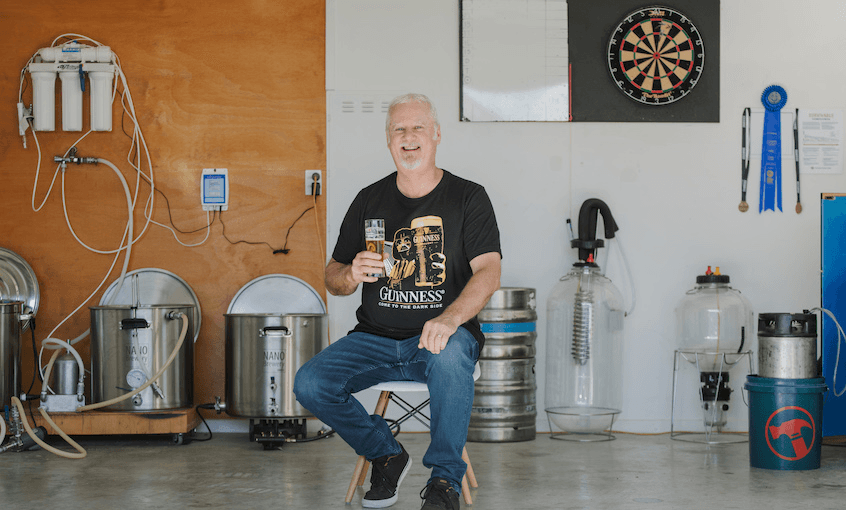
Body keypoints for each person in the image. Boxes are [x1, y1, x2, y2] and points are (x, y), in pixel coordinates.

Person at [294, 93, 501, 510]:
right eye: (398, 130)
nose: (408, 137)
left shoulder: (468, 197)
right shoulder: (368, 199)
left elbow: (489, 272)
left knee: (450, 354)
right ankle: (386, 453)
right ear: (388, 140)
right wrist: (350, 273)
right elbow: (331, 276)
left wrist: (450, 319)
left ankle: (444, 483)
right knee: (311, 384)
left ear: (437, 134)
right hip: (374, 337)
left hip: (440, 338)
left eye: (418, 127)